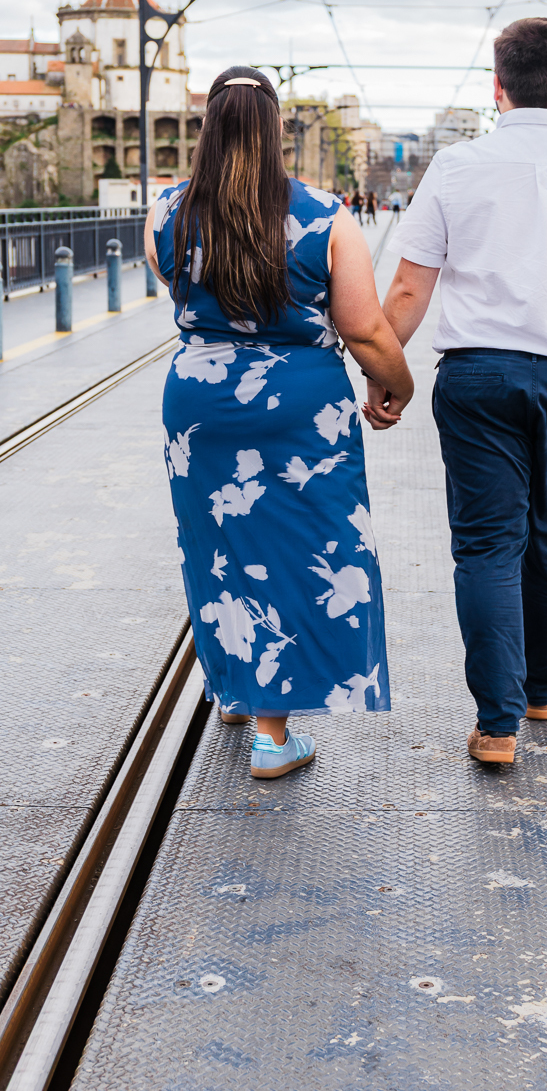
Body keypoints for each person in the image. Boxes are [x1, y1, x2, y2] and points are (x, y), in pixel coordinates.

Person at [367, 17, 547, 767]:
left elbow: (407, 287)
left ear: (496, 88)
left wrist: (383, 374)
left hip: (477, 377)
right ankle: (540, 690)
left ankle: (497, 726)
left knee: (487, 548)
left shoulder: (457, 168)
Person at [145, 66, 413, 778]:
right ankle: (272, 734)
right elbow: (365, 332)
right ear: (275, 133)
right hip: (301, 407)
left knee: (220, 547)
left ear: (207, 128)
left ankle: (238, 686)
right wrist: (397, 387)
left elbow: (180, 290)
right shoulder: (325, 215)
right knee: (303, 553)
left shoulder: (168, 212)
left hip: (199, 403)